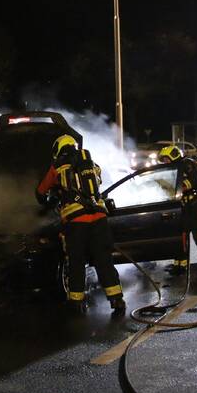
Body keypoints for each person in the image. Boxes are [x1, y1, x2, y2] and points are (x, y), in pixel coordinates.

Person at [36, 134, 126, 315]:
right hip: (99, 218)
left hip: (77, 222)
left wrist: (51, 198)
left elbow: (40, 191)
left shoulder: (57, 166)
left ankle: (76, 303)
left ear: (58, 149)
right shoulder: (90, 163)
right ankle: (117, 300)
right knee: (104, 260)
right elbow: (98, 181)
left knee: (76, 261)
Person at [158, 144, 197, 279]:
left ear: (174, 155)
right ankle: (180, 266)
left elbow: (194, 180)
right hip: (184, 208)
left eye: (166, 159)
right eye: (163, 160)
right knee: (180, 239)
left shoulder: (189, 164)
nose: (165, 162)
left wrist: (175, 188)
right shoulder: (174, 169)